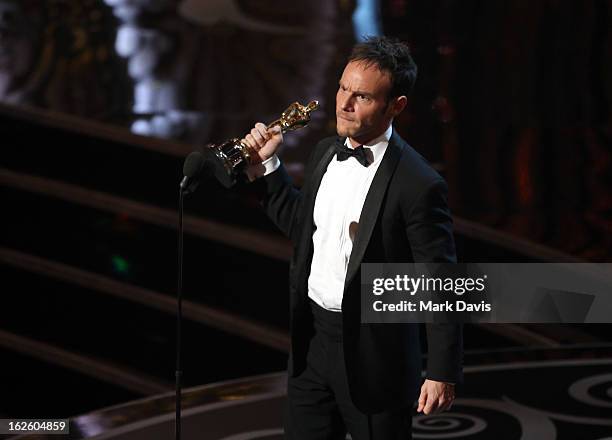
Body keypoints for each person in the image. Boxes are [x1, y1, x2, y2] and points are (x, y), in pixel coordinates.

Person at [242, 36, 463, 439]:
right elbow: (304, 229)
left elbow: (440, 282)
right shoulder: (324, 153)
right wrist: (269, 165)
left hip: (375, 356)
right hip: (311, 344)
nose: (343, 104)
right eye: (343, 88)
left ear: (395, 106)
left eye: (360, 96)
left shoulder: (419, 183)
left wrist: (443, 372)